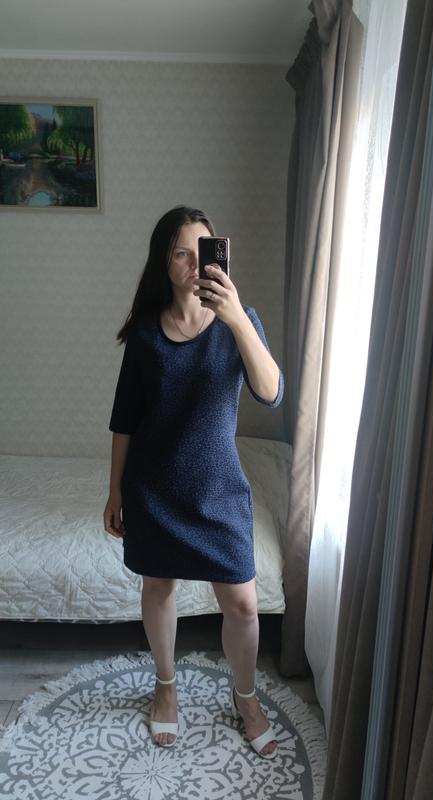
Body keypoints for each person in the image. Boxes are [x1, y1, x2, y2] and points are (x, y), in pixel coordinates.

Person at [103, 205, 284, 758]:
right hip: (155, 490)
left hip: (218, 493)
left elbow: (271, 392)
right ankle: (166, 687)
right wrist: (115, 491)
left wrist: (235, 318)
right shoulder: (145, 335)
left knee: (244, 605)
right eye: (179, 253)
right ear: (164, 261)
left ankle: (246, 697)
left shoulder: (239, 321)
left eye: (200, 252)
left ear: (216, 256)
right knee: (159, 589)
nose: (190, 263)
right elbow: (125, 419)